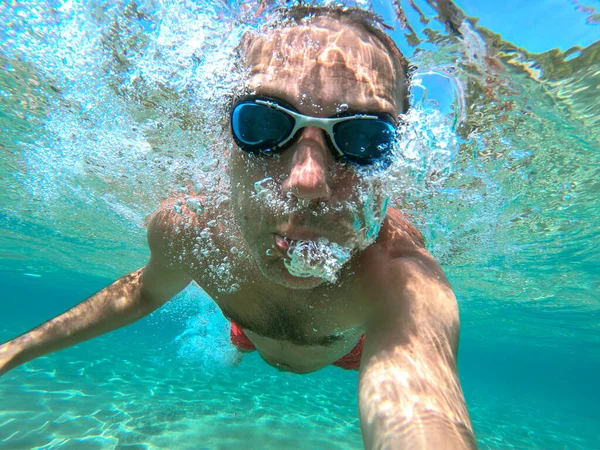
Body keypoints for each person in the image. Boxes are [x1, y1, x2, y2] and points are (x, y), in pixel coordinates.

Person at [0, 6, 476, 449]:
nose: (308, 180)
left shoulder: (401, 283)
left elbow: (423, 407)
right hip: (249, 330)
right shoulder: (189, 232)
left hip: (349, 349)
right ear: (222, 137)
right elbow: (139, 293)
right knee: (238, 341)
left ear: (395, 160)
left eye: (364, 137)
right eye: (263, 123)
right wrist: (13, 350)